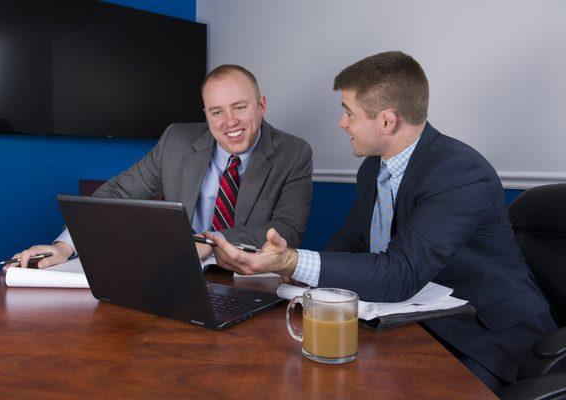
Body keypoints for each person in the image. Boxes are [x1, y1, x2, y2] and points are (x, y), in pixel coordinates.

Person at [207, 52, 557, 392]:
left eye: (349, 112)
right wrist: (291, 270)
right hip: (414, 321)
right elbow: (349, 241)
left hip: (487, 336)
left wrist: (293, 260)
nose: (342, 123)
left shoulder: (459, 174)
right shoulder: (374, 166)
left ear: (387, 121)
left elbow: (399, 273)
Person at [12, 64, 312, 269]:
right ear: (206, 114)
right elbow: (117, 192)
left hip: (251, 277)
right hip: (177, 274)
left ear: (261, 105)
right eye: (216, 111)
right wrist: (66, 246)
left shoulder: (294, 153)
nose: (229, 122)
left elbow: (287, 229)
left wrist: (209, 244)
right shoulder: (176, 141)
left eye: (240, 107)